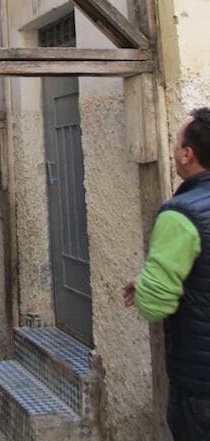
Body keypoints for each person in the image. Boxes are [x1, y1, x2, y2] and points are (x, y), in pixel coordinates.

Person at [123, 107, 210, 440]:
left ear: (187, 154)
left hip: (200, 387)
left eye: (176, 141)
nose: (173, 149)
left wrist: (146, 288)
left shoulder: (180, 215)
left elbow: (155, 304)